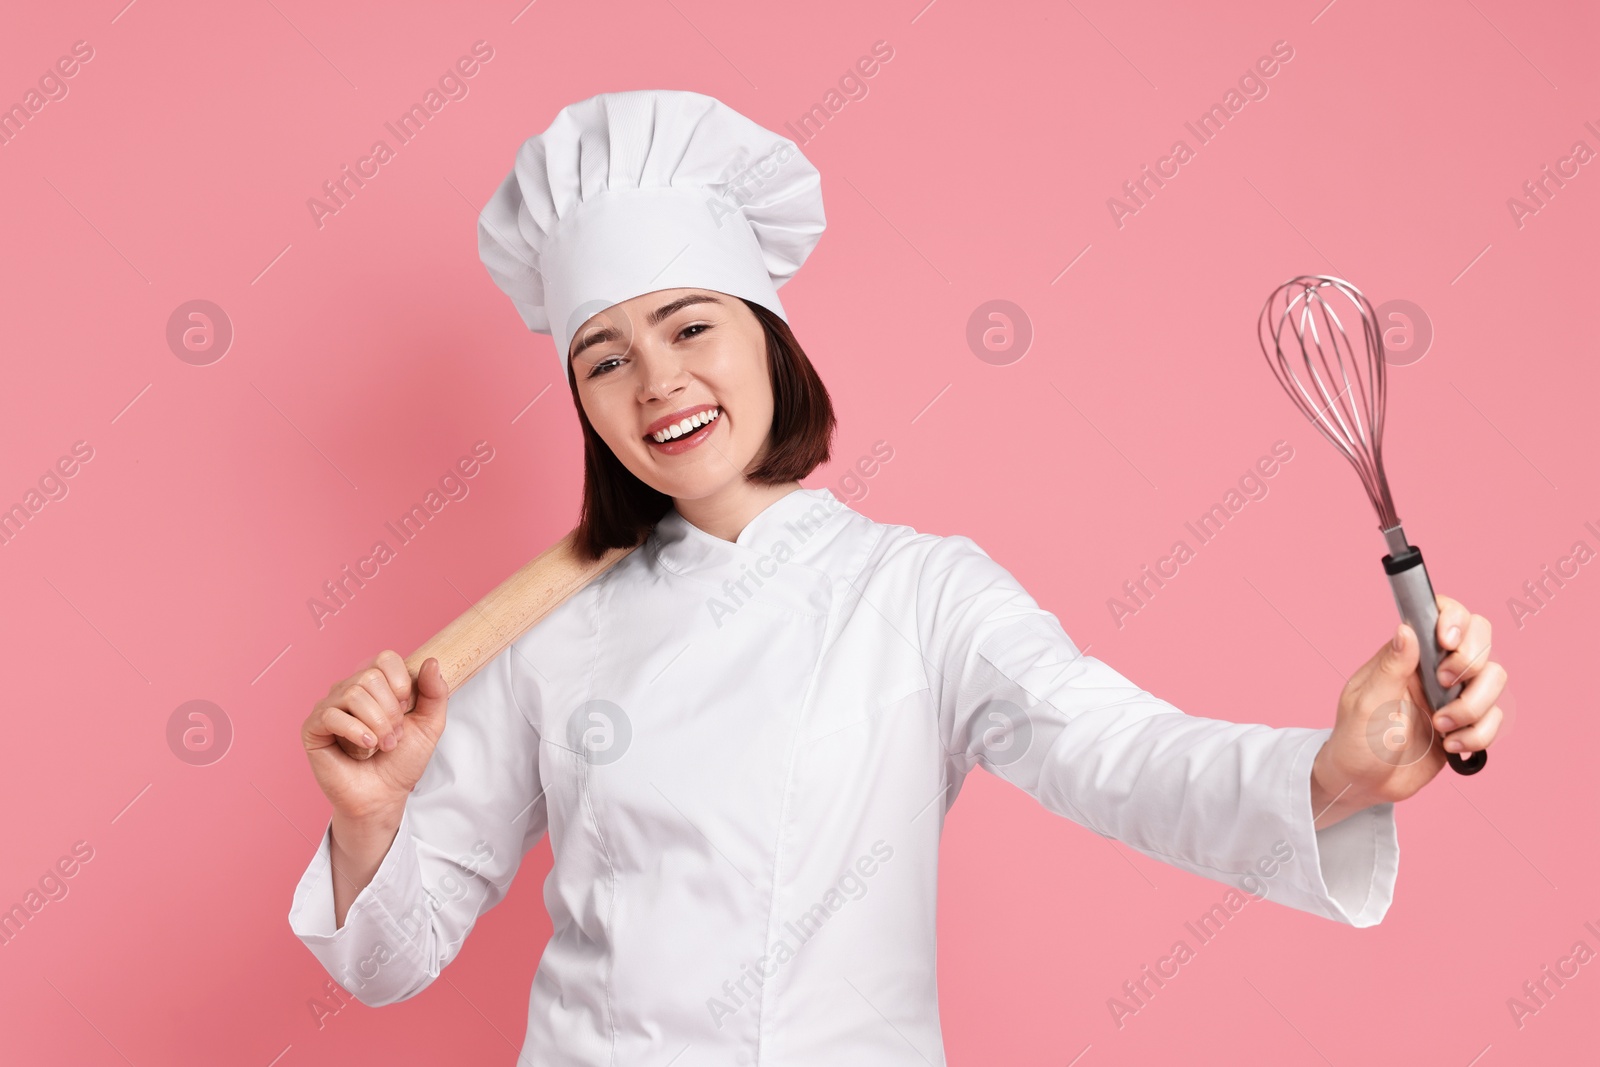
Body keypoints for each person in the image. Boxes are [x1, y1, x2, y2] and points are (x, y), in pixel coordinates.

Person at [288, 90, 1506, 1065]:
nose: (655, 379)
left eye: (690, 324)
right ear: (582, 401)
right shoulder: (546, 636)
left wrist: (1335, 769)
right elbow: (392, 958)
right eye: (604, 356)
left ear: (769, 335)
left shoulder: (918, 593)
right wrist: (371, 815)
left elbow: (1118, 756)